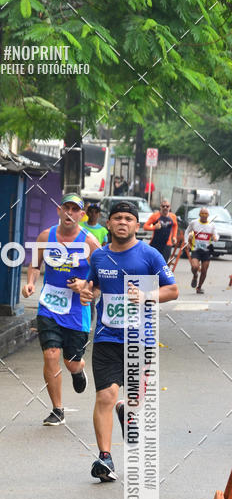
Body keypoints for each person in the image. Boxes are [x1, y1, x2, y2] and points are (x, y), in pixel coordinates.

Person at [82, 201, 179, 482]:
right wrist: (88, 294)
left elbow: (172, 290)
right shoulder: (99, 257)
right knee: (105, 396)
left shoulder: (150, 255)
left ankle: (128, 410)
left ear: (137, 225)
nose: (122, 222)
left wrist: (147, 297)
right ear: (108, 225)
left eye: (128, 218)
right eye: (117, 218)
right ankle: (105, 458)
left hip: (141, 340)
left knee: (134, 399)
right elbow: (94, 286)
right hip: (106, 338)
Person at [22, 194, 101, 426]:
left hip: (77, 310)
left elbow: (102, 276)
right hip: (49, 306)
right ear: (59, 211)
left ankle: (78, 370)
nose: (69, 213)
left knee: (71, 362)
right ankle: (57, 409)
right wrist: (30, 282)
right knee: (50, 355)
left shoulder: (90, 243)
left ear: (81, 215)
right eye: (66, 208)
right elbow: (35, 265)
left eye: (74, 209)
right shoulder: (46, 236)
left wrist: (85, 286)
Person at [186, 207, 218, 294]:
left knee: (204, 270)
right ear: (199, 214)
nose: (204, 216)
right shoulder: (194, 223)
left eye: (206, 214)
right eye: (202, 214)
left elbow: (216, 235)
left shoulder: (211, 225)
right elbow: (187, 231)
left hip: (206, 251)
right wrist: (187, 242)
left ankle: (199, 287)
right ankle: (195, 275)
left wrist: (215, 238)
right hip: (196, 249)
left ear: (208, 215)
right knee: (195, 267)